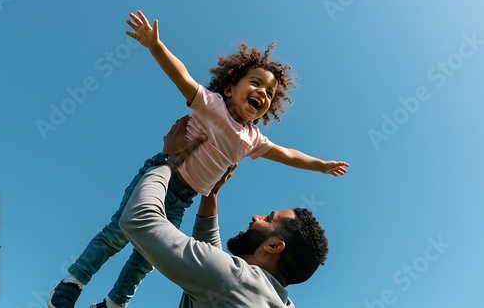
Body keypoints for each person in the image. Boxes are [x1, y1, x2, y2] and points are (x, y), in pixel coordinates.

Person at [48, 9, 348, 308]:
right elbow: (182, 76)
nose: (263, 93)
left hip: (184, 198)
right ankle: (73, 281)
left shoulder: (252, 138)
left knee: (146, 259)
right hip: (162, 175)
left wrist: (321, 166)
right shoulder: (212, 105)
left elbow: (287, 154)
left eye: (270, 93)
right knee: (117, 234)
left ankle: (114, 303)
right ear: (230, 88)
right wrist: (155, 45)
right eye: (256, 83)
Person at [119, 115, 329, 307]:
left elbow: (138, 220)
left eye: (268, 219)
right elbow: (213, 259)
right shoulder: (277, 301)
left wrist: (166, 160)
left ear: (273, 245)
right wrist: (212, 193)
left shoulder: (234, 282)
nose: (256, 217)